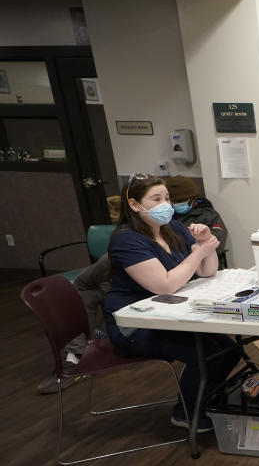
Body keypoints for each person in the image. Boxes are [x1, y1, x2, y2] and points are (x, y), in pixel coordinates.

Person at [104, 174, 241, 432]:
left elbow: (207, 271)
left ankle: (204, 402)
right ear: (134, 205)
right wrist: (198, 253)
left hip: (172, 314)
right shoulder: (127, 239)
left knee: (229, 351)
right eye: (156, 199)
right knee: (208, 355)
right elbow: (165, 285)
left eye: (166, 198)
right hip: (136, 324)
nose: (165, 204)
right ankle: (186, 414)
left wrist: (204, 244)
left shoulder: (174, 229)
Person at [36, 253, 111, 394]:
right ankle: (76, 356)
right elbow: (81, 283)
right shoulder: (113, 256)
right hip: (117, 292)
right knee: (85, 292)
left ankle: (99, 339)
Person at [165, 175, 229, 261]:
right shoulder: (166, 217)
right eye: (175, 201)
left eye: (182, 200)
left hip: (206, 263)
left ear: (193, 199)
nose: (178, 204)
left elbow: (217, 244)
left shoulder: (208, 215)